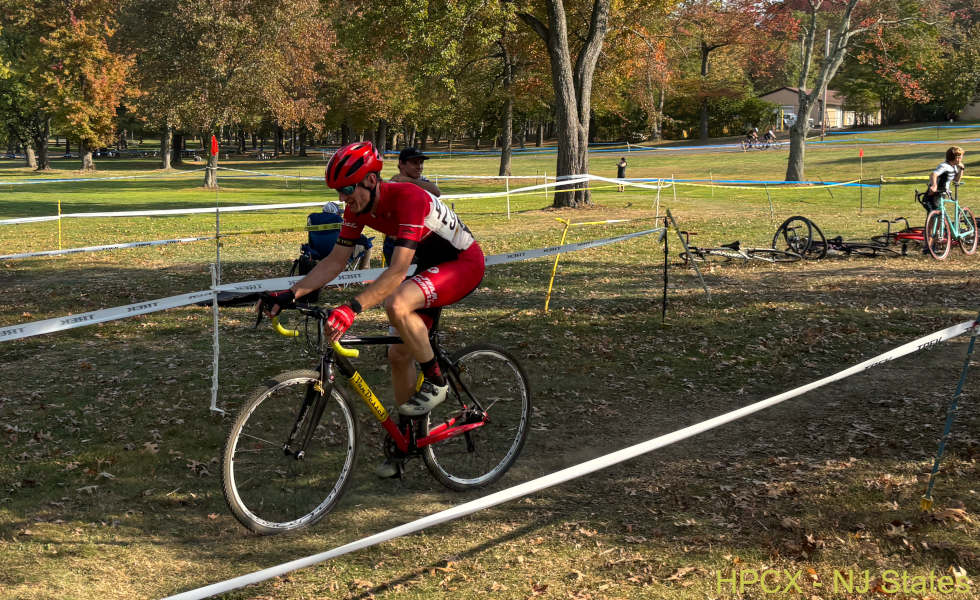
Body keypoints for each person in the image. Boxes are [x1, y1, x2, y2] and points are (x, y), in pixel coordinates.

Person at [261, 141, 485, 478]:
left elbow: (396, 272)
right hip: (430, 267)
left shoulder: (409, 198)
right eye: (338, 190)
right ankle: (408, 440)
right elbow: (336, 260)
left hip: (462, 264)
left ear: (370, 181)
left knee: (397, 303)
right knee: (398, 355)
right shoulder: (356, 210)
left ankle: (437, 382)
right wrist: (291, 293)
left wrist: (352, 308)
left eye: (348, 188)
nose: (342, 198)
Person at [383, 147, 442, 264]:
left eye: (421, 162)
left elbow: (436, 191)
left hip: (422, 240)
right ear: (401, 164)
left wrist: (410, 181)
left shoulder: (421, 180)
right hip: (399, 242)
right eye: (414, 163)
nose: (419, 167)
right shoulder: (393, 184)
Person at [923, 146, 966, 215]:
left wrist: (961, 169)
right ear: (956, 158)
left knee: (940, 217)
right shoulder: (944, 166)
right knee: (936, 216)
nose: (961, 159)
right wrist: (934, 185)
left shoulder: (954, 166)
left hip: (941, 195)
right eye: (961, 157)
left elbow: (956, 181)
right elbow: (933, 174)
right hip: (933, 195)